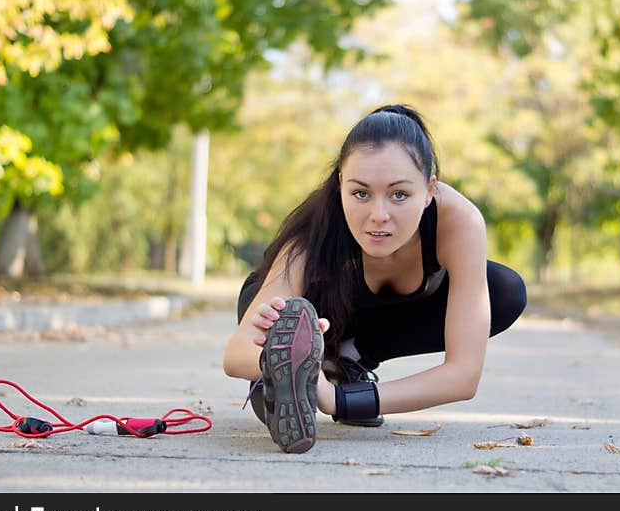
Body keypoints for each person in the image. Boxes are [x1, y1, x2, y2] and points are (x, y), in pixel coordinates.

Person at [223, 104, 527, 453]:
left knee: (504, 290)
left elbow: (463, 375)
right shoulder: (314, 232)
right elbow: (235, 352)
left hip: (364, 330)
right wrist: (280, 361)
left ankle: (344, 361)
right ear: (340, 184)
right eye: (360, 193)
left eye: (399, 194)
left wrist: (339, 399)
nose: (378, 216)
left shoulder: (459, 222)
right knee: (283, 328)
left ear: (429, 189)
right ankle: (292, 372)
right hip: (310, 313)